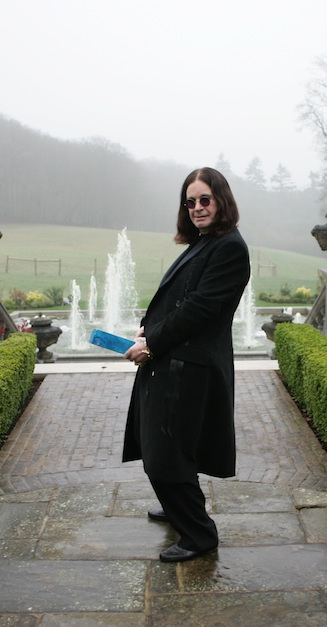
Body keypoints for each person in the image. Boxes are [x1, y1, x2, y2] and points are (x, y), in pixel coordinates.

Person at [122, 167, 250, 563]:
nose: (196, 207)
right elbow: (180, 298)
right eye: (190, 201)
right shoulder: (205, 242)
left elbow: (199, 310)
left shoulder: (229, 247)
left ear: (221, 201)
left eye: (204, 200)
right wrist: (149, 328)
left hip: (188, 368)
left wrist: (153, 342)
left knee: (165, 454)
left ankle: (198, 533)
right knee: (164, 445)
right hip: (174, 361)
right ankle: (177, 505)